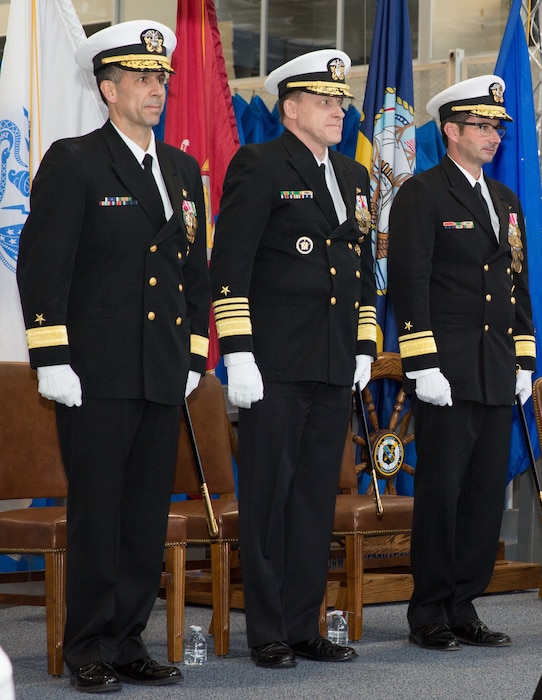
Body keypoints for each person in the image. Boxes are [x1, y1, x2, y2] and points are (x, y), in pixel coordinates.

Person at [16, 21, 208, 692]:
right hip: (93, 374)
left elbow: (194, 272)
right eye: (143, 79)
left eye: (162, 79)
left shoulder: (183, 171)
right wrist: (52, 357)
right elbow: (44, 269)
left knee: (145, 516)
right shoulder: (75, 162)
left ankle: (129, 640)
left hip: (159, 370)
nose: (157, 89)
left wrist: (192, 353)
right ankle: (88, 647)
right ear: (107, 88)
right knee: (98, 514)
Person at [209, 49, 376, 668]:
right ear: (291, 107)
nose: (338, 112)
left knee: (313, 500)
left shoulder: (354, 178)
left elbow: (360, 272)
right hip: (274, 364)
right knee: (269, 498)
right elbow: (232, 266)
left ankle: (306, 624)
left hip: (333, 362)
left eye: (341, 102)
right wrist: (240, 355)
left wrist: (363, 343)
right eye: (326, 102)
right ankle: (269, 631)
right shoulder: (258, 164)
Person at [388, 75, 536, 651]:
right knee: (442, 492)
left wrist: (523, 357)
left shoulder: (504, 200)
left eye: (497, 125)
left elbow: (517, 282)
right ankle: (428, 609)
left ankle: (464, 603)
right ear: (450, 131)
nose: (493, 134)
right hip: (445, 370)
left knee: (482, 493)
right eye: (482, 125)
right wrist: (421, 361)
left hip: (496, 367)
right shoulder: (422, 194)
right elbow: (410, 282)